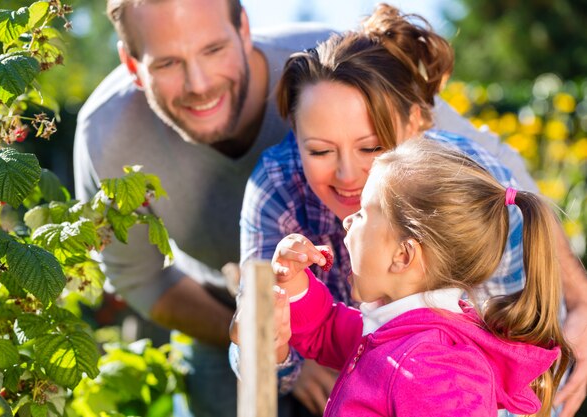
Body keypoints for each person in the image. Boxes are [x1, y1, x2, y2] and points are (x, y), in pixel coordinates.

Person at [235, 4, 587, 416]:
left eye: (371, 147)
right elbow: (327, 329)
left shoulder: (435, 366)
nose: (349, 175)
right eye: (320, 150)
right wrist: (288, 293)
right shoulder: (392, 327)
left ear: (417, 125)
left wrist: (581, 300)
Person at [73, 0, 334, 415]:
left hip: (367, 305)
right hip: (221, 311)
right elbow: (140, 278)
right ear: (133, 65)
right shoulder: (107, 134)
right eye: (168, 63)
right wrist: (259, 338)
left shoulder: (335, 67)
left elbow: (464, 174)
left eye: (213, 50)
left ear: (244, 29)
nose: (199, 84)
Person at [269, 138, 573, 417]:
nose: (347, 221)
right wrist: (293, 282)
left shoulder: (434, 367)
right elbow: (324, 330)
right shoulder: (398, 332)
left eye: (362, 213)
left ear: (403, 256)